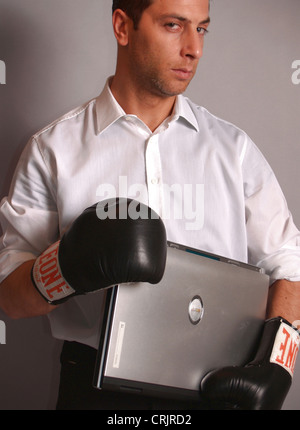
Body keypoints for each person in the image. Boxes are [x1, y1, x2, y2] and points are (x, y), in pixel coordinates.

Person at [0, 0, 300, 410]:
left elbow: (290, 264)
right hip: (94, 389)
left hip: (218, 385)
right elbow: (9, 297)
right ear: (123, 27)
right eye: (174, 25)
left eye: (202, 29)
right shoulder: (53, 149)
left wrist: (279, 361)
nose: (194, 47)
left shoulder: (234, 151)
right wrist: (66, 267)